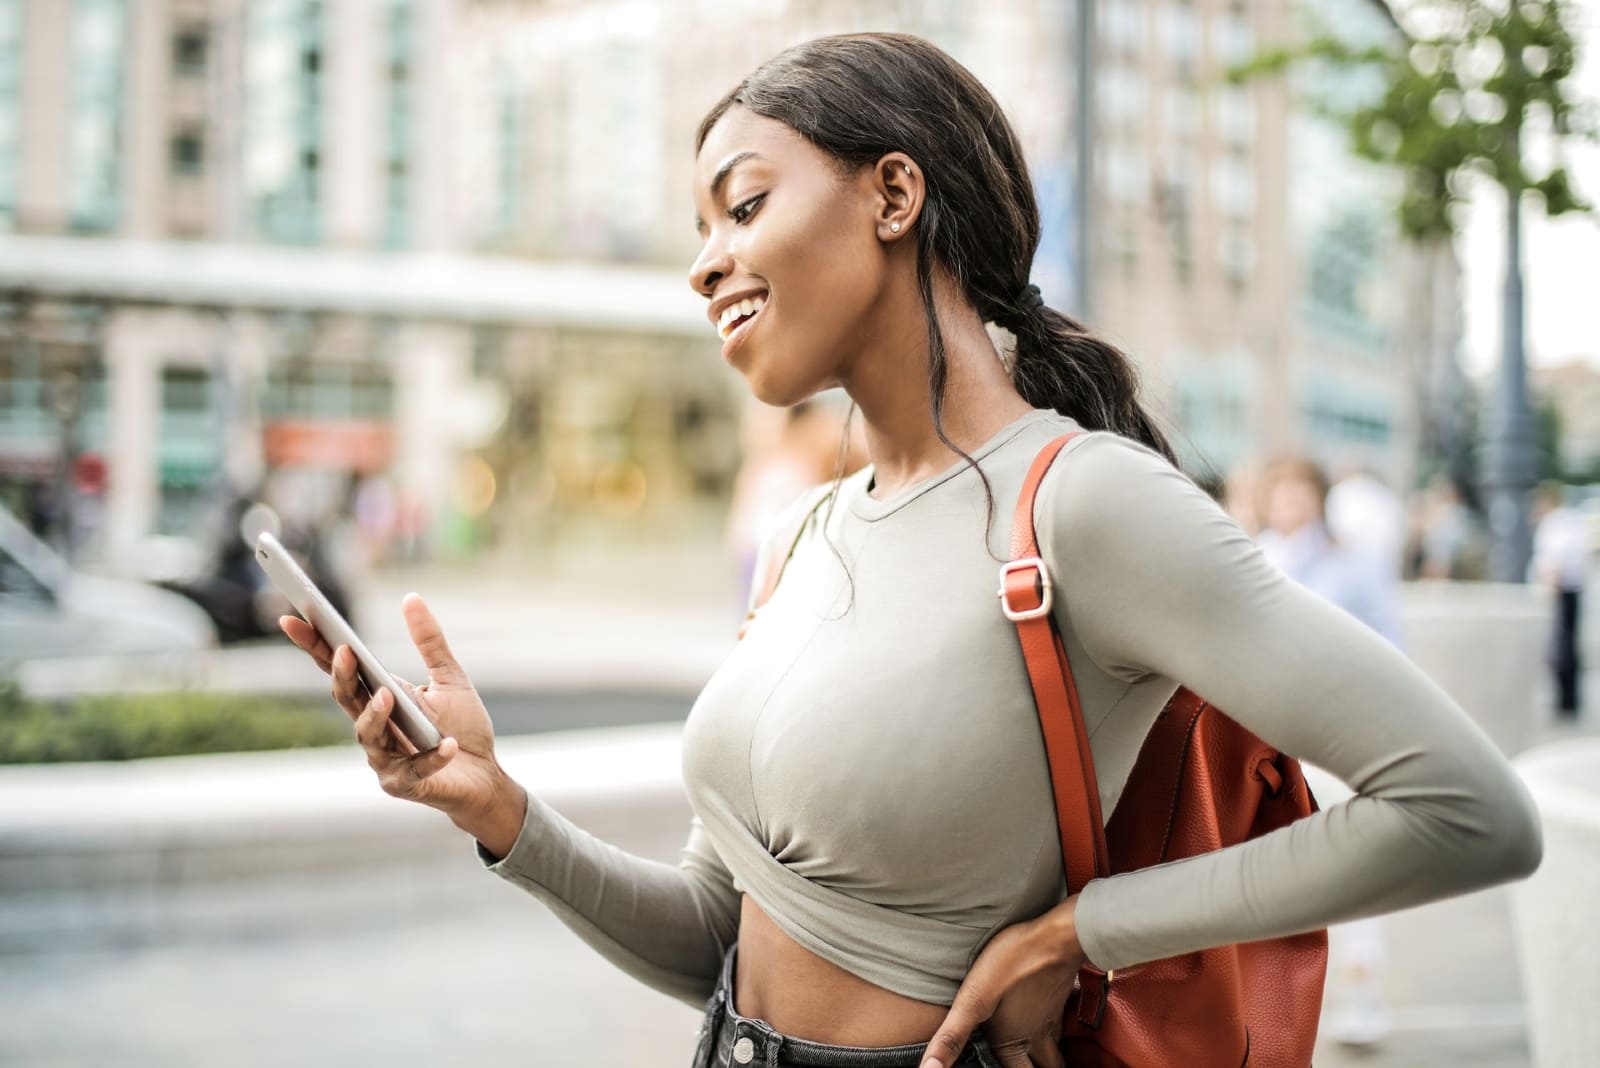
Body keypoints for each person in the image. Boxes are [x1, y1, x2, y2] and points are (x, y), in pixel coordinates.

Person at [279, 34, 1542, 1068]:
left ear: (894, 194)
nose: (703, 262)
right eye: (700, 229)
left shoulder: (1083, 506)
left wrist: (1083, 935)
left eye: (746, 205)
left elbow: (1466, 810)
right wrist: (500, 811)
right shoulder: (802, 536)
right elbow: (717, 935)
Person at [1255, 454, 1402, 1048]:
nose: (1289, 501)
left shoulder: (1351, 564)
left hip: (1336, 739)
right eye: (1279, 488)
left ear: (1317, 496)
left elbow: (1390, 646)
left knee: (1352, 870)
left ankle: (1361, 995)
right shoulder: (1246, 553)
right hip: (1268, 740)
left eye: (1299, 489)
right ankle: (1276, 1008)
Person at [1529, 480, 1588, 718]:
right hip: (1572, 590)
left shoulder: (1555, 524)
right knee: (1568, 647)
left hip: (1561, 592)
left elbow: (1555, 561)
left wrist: (1546, 592)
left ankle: (1565, 703)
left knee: (1561, 648)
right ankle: (1569, 702)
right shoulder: (1569, 521)